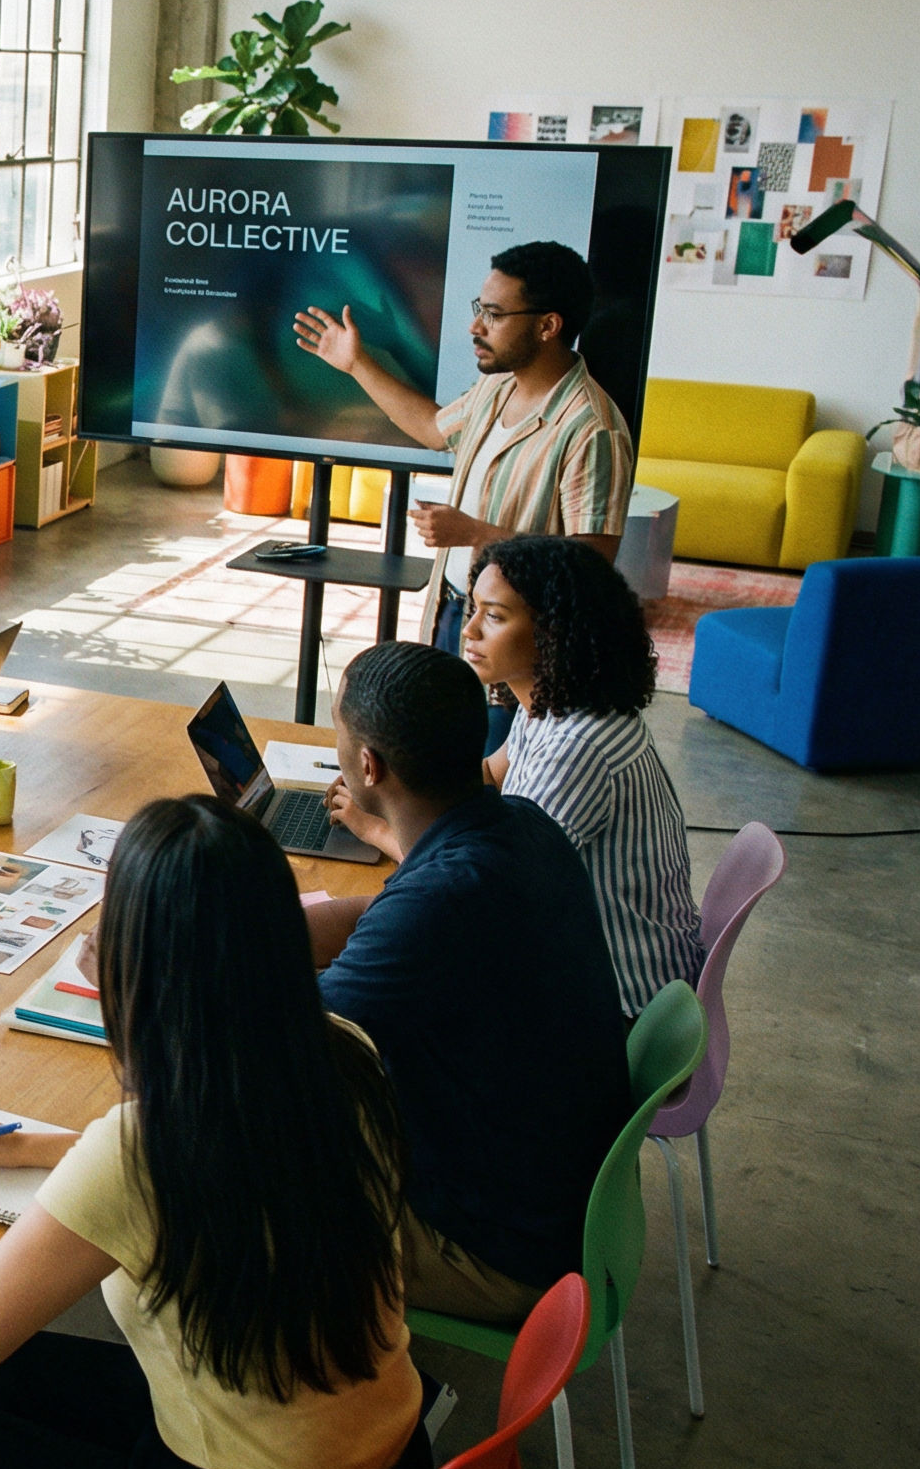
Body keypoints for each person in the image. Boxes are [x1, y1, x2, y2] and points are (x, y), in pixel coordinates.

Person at [0, 796, 431, 1469]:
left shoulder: (140, 1153)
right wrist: (31, 1146)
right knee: (21, 1377)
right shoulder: (342, 1051)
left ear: (134, 967)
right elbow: (217, 1158)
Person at [314, 640, 628, 1324]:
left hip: (498, 1258)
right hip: (551, 1204)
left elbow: (282, 1041)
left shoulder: (445, 899)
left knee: (219, 1191)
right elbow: (385, 918)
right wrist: (262, 926)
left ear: (367, 764)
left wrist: (154, 957)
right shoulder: (520, 826)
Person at [294, 240, 635, 660]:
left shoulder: (592, 430)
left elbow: (590, 568)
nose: (476, 326)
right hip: (456, 607)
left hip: (521, 643)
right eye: (480, 308)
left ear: (548, 326)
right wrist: (356, 363)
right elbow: (434, 430)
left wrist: (475, 534)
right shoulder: (499, 384)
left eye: (494, 314)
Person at [469, 536, 704, 1018]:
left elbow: (495, 890)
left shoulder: (578, 746)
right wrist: (400, 782)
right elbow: (490, 774)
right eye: (475, 610)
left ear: (553, 633)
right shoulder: (549, 707)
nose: (470, 630)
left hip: (620, 1007)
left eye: (493, 616)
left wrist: (381, 829)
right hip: (595, 974)